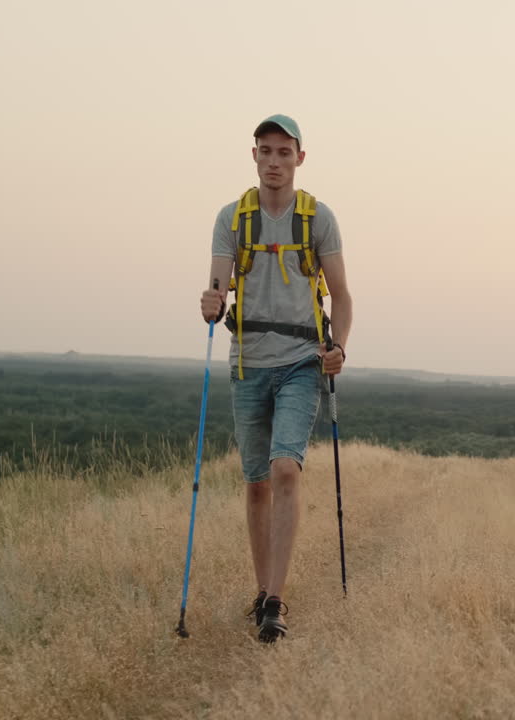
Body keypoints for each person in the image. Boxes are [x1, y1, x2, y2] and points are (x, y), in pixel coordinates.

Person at [199, 114, 353, 643]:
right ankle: (263, 590)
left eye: (283, 152)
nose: (273, 161)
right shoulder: (232, 218)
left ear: (299, 159)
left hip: (301, 362)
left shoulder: (318, 218)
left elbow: (342, 297)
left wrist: (338, 348)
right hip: (248, 363)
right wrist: (210, 302)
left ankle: (275, 602)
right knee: (257, 482)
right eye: (265, 151)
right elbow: (216, 292)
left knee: (286, 468)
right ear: (254, 156)